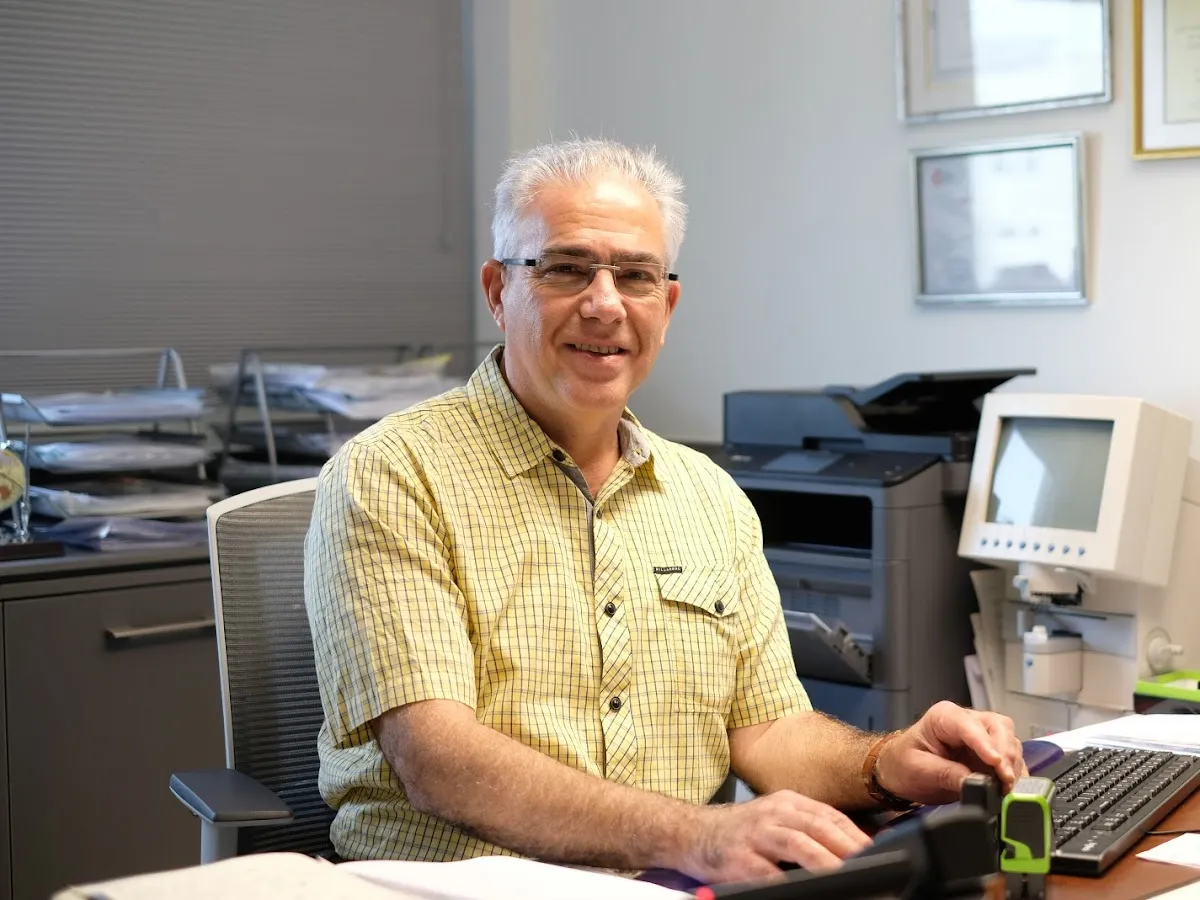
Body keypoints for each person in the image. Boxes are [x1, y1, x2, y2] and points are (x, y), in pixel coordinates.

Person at [303, 137, 1026, 883]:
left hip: (674, 884)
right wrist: (692, 834)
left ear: (667, 305)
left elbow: (769, 731)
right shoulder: (394, 473)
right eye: (566, 268)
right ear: (498, 291)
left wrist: (887, 761)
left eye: (636, 276)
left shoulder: (708, 496)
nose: (604, 303)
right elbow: (437, 759)